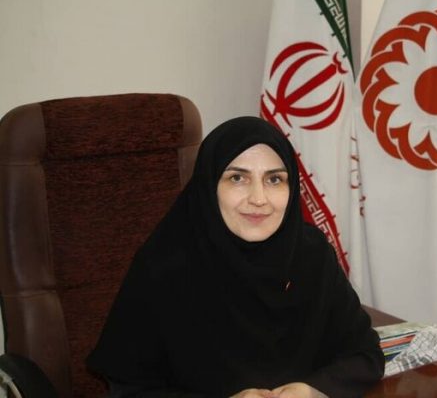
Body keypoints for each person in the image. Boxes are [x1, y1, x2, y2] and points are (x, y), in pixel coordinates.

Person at [87, 116, 384, 397]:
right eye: (238, 178)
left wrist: (311, 390)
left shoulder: (311, 254)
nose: (258, 199)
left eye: (274, 179)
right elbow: (130, 389)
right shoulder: (163, 267)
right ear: (209, 184)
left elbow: (365, 354)